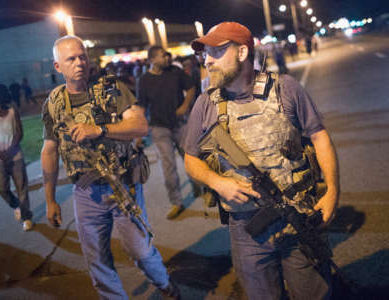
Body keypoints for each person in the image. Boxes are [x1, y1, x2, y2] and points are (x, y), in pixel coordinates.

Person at [183, 22, 340, 300]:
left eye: (216, 52)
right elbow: (191, 159)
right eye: (204, 54)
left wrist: (332, 193)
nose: (207, 61)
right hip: (247, 231)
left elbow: (319, 137)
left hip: (297, 218)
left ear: (242, 52)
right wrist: (219, 183)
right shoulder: (205, 103)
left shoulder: (285, 89)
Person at [41, 36, 180, 300]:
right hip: (86, 194)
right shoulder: (55, 103)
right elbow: (49, 150)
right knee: (97, 260)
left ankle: (166, 286)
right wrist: (50, 200)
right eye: (71, 59)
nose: (79, 62)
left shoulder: (110, 88)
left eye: (82, 56)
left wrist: (99, 130)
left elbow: (140, 126)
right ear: (58, 67)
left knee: (140, 251)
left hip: (122, 186)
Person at [137, 45, 196, 219]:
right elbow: (142, 107)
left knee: (192, 158)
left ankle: (202, 188)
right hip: (159, 128)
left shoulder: (175, 72)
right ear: (152, 60)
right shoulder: (144, 80)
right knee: (168, 167)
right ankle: (176, 203)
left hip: (179, 124)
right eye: (163, 56)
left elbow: (191, 88)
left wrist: (185, 106)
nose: (167, 58)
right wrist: (139, 135)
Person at [0, 84, 33, 231]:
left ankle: (26, 218)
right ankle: (16, 206)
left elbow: (19, 132)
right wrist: (0, 152)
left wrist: (10, 150)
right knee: (1, 187)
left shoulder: (12, 111)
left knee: (22, 188)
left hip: (16, 157)